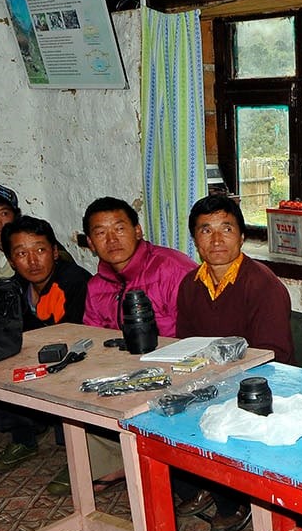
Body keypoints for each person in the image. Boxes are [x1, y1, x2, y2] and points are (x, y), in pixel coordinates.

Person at [47, 197, 197, 496]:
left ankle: (180, 479)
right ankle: (112, 463)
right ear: (89, 242)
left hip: (178, 370)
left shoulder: (171, 269)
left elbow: (195, 333)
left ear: (138, 230)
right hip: (126, 374)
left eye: (119, 228)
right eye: (101, 232)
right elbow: (94, 339)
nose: (112, 239)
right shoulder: (97, 285)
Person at [170, 195, 295, 531]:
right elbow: (186, 344)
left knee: (224, 415)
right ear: (195, 240)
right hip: (208, 378)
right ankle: (200, 485)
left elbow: (273, 355)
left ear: (241, 236)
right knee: (163, 411)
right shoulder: (190, 284)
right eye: (205, 230)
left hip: (258, 383)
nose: (216, 239)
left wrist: (219, 381)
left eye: (226, 229)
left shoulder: (262, 284)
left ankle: (235, 498)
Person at [0, 215, 92, 475]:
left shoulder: (74, 281)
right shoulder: (14, 288)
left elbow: (77, 335)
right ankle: (23, 438)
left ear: (55, 252)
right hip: (37, 356)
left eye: (40, 250)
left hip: (77, 358)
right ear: (11, 260)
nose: (33, 261)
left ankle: (83, 458)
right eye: (22, 253)